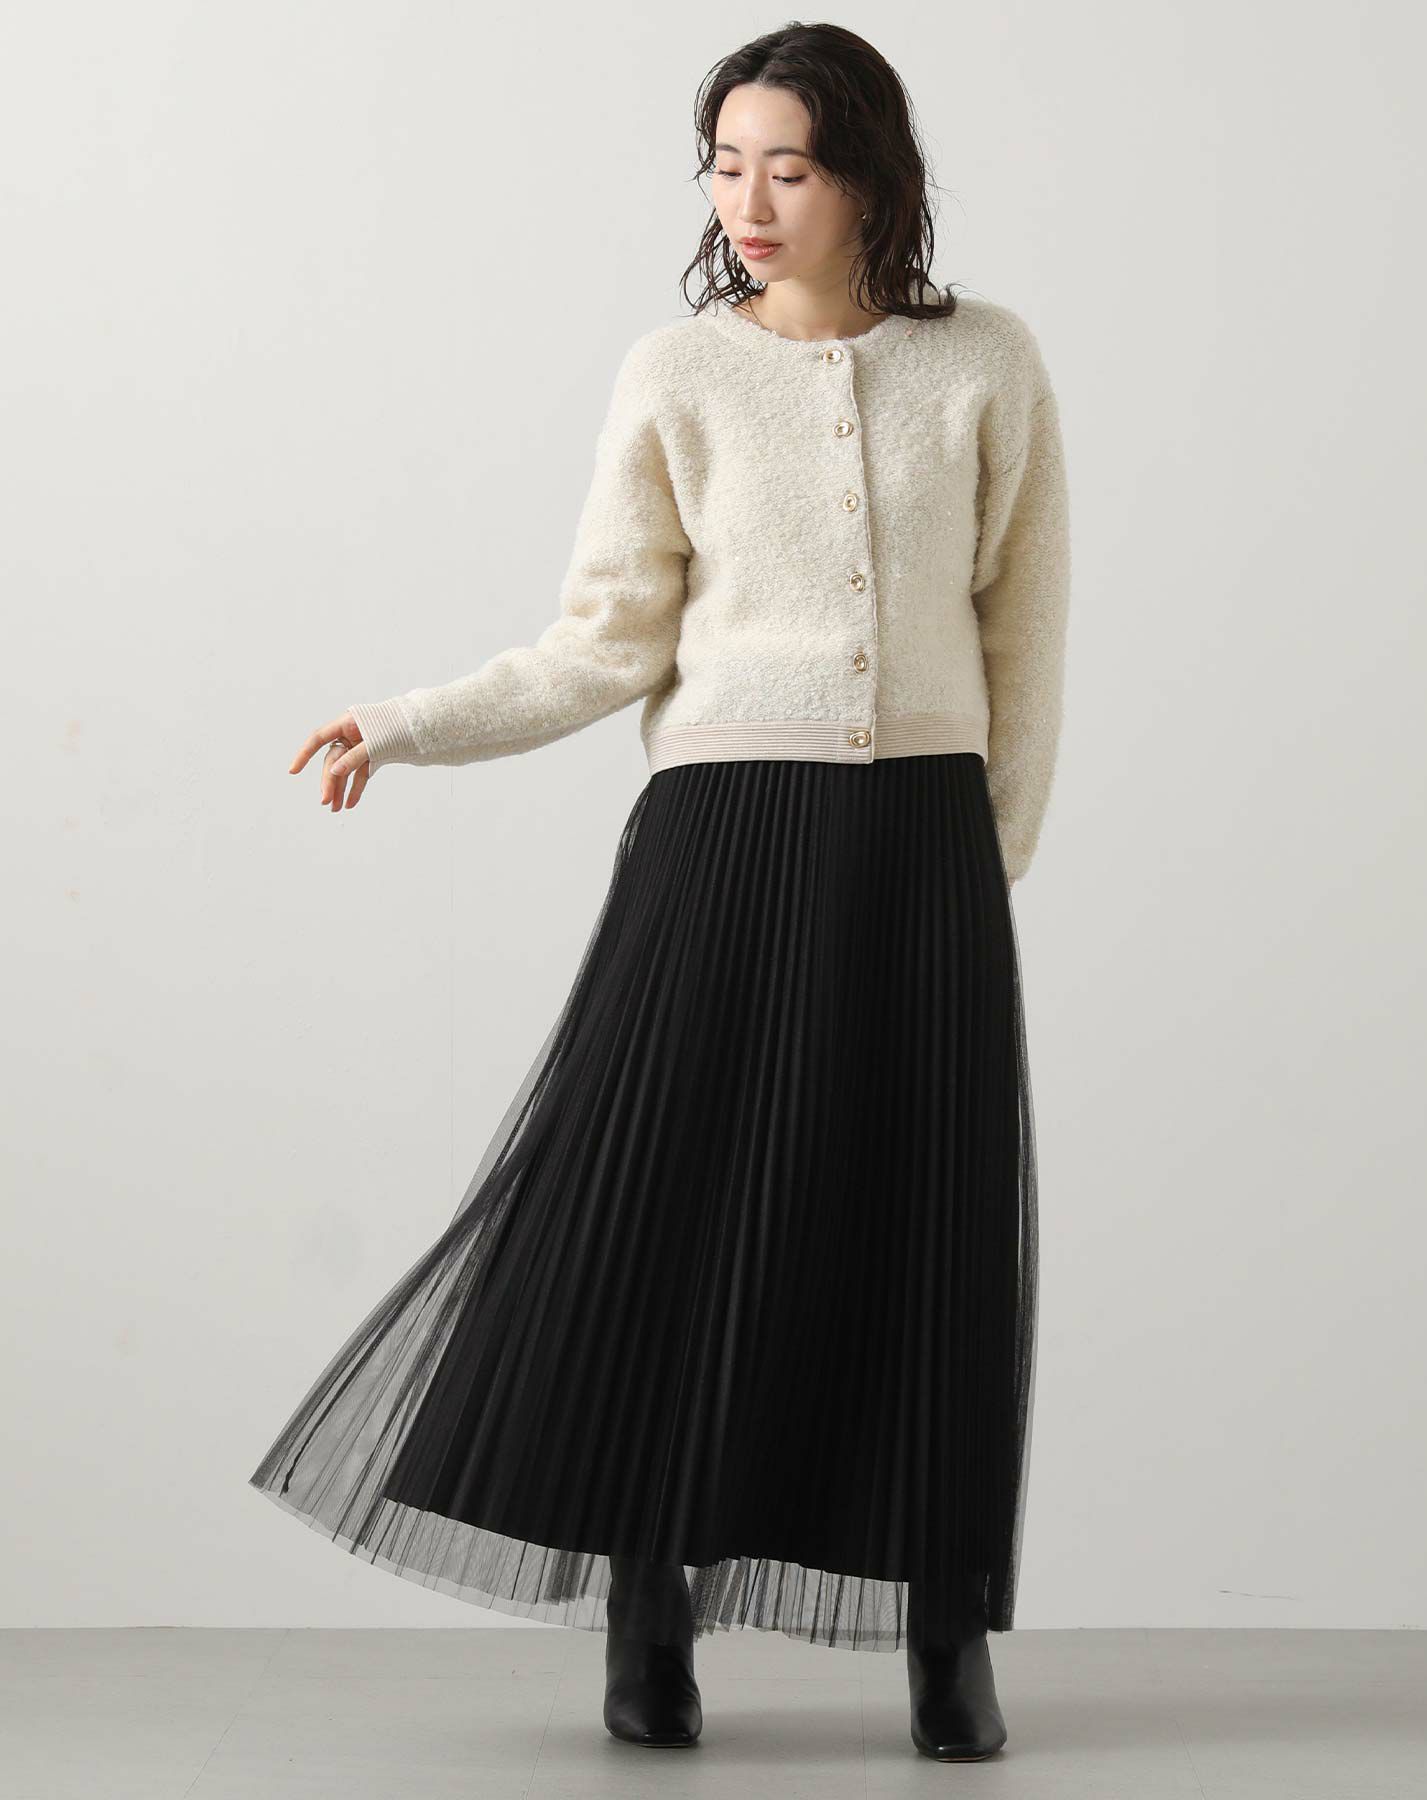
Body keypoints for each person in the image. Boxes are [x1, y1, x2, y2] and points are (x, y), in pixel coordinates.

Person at [252, 21, 1069, 1766]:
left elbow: (1026, 630)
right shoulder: (677, 374)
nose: (749, 200)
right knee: (669, 1221)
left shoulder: (988, 364)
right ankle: (647, 1601)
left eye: (791, 165)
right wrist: (408, 724)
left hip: (921, 848)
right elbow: (604, 640)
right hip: (721, 839)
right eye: (727, 163)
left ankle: (946, 1640)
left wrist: (982, 861)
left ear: (872, 180)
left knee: (921, 1232)